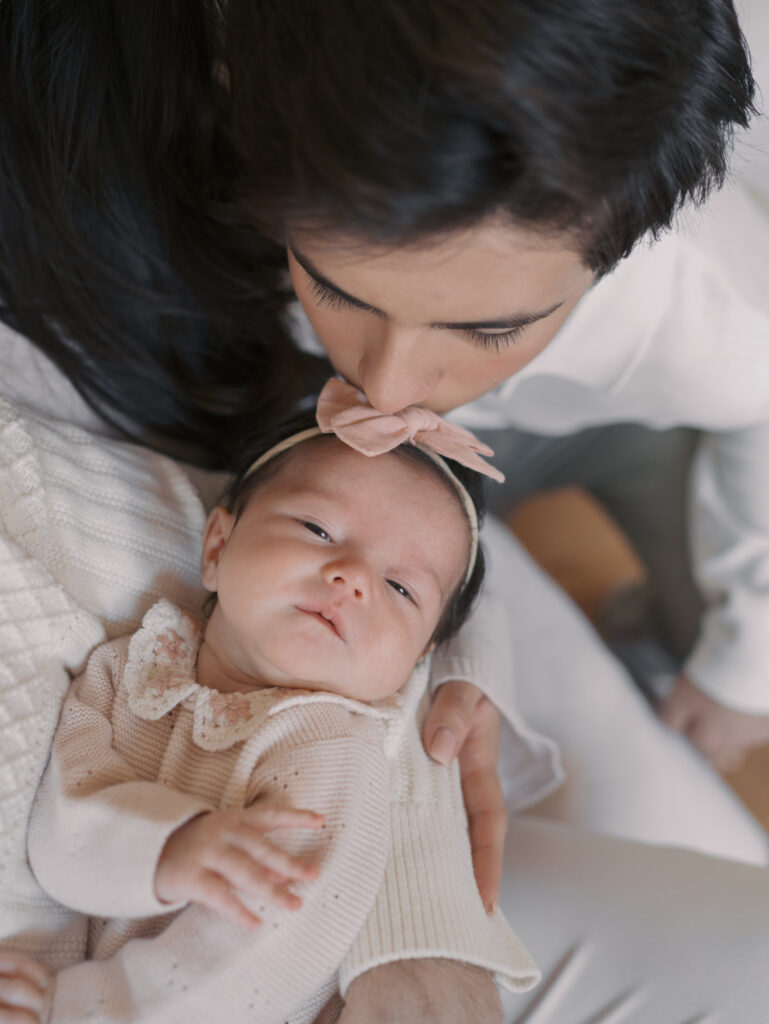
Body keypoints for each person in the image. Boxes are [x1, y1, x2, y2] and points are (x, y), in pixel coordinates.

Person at [2, 1, 769, 1022]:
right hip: (385, 534)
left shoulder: (710, 318)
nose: (390, 383)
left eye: (486, 326)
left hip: (583, 455)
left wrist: (741, 662)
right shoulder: (128, 175)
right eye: (337, 288)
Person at [0, 400, 538, 1023]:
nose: (352, 577)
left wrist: (89, 1008)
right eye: (318, 529)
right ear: (217, 547)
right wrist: (167, 848)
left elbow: (271, 951)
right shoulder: (132, 670)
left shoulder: (331, 748)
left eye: (399, 588)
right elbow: (64, 824)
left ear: (416, 662)